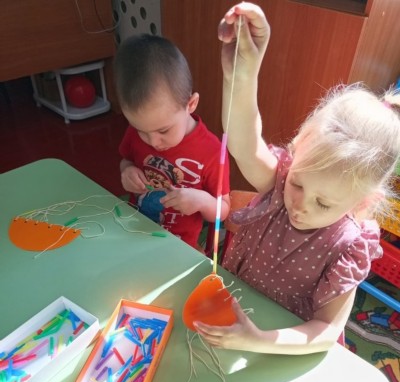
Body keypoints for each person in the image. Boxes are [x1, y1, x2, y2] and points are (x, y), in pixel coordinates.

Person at [194, 2, 400, 355]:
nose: (299, 205)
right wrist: (242, 75)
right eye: (298, 183)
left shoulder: (349, 246)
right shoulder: (279, 183)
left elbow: (325, 332)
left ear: (362, 202)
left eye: (323, 203)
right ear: (297, 149)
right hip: (235, 320)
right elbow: (244, 143)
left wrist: (258, 340)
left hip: (283, 349)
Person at [114, 34, 230, 250]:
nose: (153, 141)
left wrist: (202, 201)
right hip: (135, 231)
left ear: (191, 104)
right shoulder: (138, 131)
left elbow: (223, 210)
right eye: (141, 131)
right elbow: (126, 160)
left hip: (180, 248)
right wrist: (127, 170)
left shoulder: (213, 151)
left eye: (163, 130)